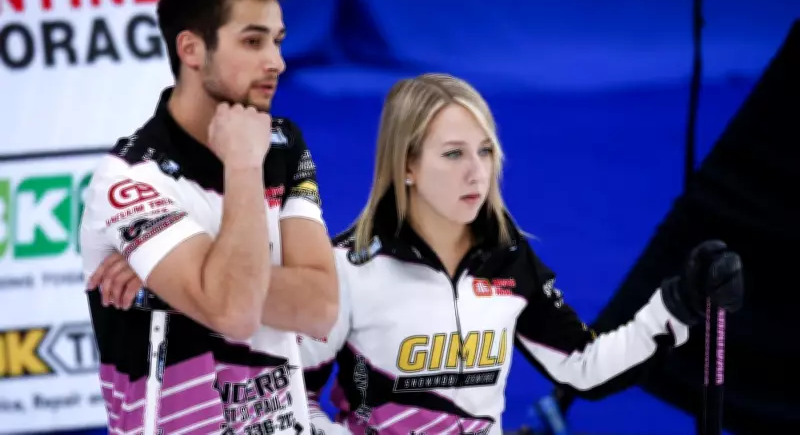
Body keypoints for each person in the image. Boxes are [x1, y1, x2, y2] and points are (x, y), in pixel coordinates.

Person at [93, 74, 745, 434]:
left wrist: (678, 307)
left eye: (485, 151)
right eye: (453, 154)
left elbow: (584, 371)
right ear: (406, 166)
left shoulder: (507, 261)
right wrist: (167, 269)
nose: (476, 173)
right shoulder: (345, 267)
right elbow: (286, 397)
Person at [79, 0, 337, 435]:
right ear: (191, 49)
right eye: (253, 41)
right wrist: (242, 165)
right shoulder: (129, 179)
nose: (277, 62)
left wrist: (175, 286)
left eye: (277, 42)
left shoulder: (282, 141)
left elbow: (319, 306)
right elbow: (235, 314)